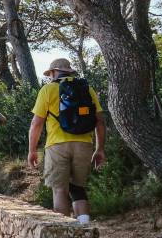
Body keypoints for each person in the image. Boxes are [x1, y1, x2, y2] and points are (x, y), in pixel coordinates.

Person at [27, 58, 106, 224]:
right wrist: (100, 149)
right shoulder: (87, 88)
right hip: (84, 144)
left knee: (59, 190)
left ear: (54, 72)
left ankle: (64, 231)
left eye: (50, 74)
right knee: (78, 189)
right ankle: (84, 228)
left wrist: (32, 150)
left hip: (57, 145)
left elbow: (36, 123)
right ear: (69, 71)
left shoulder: (48, 89)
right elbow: (100, 121)